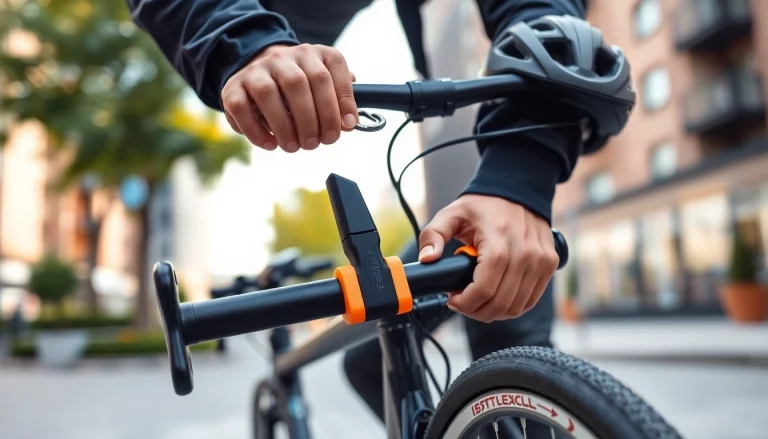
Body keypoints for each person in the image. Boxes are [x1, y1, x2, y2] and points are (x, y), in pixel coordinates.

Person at [127, 0, 592, 435]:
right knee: (370, 360)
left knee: (503, 328)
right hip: (464, 142)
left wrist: (517, 177)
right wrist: (248, 45)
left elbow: (540, 10)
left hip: (492, 147)